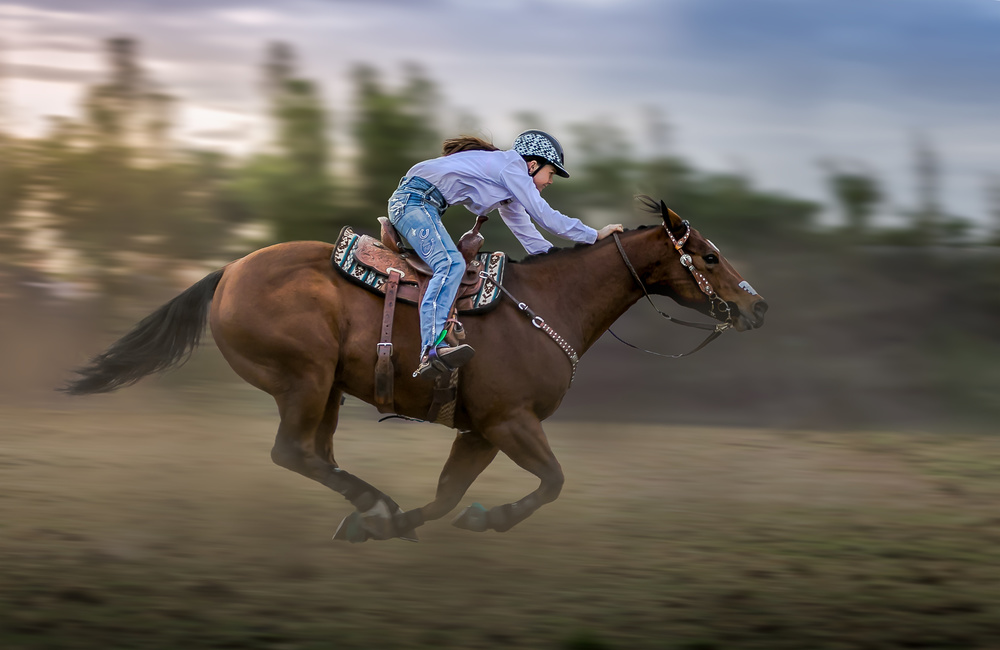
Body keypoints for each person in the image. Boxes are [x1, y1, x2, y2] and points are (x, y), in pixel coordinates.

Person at [387, 129, 624, 379]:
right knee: (450, 263)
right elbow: (545, 215)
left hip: (423, 203)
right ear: (532, 165)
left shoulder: (508, 190)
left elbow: (529, 236)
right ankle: (432, 349)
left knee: (451, 263)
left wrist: (562, 266)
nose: (550, 181)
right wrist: (594, 235)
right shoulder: (512, 166)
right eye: (551, 173)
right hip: (414, 202)